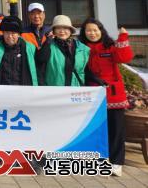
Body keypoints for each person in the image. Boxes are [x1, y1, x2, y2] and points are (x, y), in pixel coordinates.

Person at [79, 19, 133, 177]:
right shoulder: (81, 48)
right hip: (92, 96)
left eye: (95, 30)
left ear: (101, 31)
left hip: (113, 95)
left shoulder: (109, 45)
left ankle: (117, 162)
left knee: (116, 130)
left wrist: (123, 37)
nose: (92, 33)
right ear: (84, 33)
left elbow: (124, 57)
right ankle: (100, 160)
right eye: (88, 30)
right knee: (96, 129)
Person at [36, 15, 104, 87]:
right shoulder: (48, 46)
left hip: (77, 91)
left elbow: (85, 70)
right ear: (54, 31)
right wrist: (47, 42)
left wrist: (96, 79)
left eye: (65, 28)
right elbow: (40, 61)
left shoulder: (82, 48)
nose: (62, 31)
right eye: (58, 28)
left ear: (70, 30)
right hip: (56, 91)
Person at [0, 16, 38, 86]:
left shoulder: (30, 48)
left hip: (23, 89)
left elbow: (39, 70)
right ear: (3, 33)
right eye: (7, 32)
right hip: (1, 90)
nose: (10, 36)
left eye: (13, 33)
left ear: (18, 34)